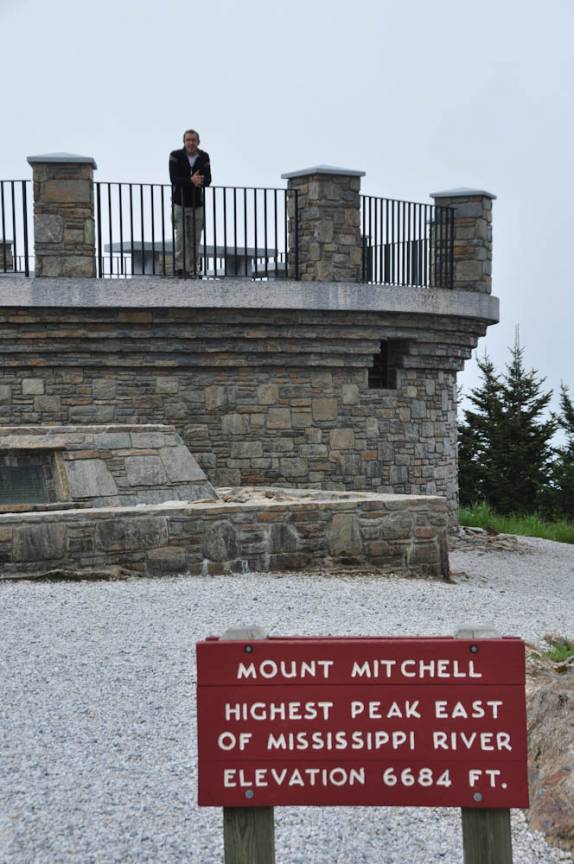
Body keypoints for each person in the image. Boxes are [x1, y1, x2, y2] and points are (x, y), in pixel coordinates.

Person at [169, 129, 211, 277]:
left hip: (197, 204)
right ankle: (180, 268)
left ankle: (193, 269)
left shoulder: (204, 156)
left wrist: (198, 180)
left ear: (198, 142)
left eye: (193, 140)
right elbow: (174, 179)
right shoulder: (175, 156)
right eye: (188, 140)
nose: (191, 143)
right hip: (179, 203)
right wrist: (191, 181)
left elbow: (208, 180)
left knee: (195, 238)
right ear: (184, 142)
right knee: (181, 236)